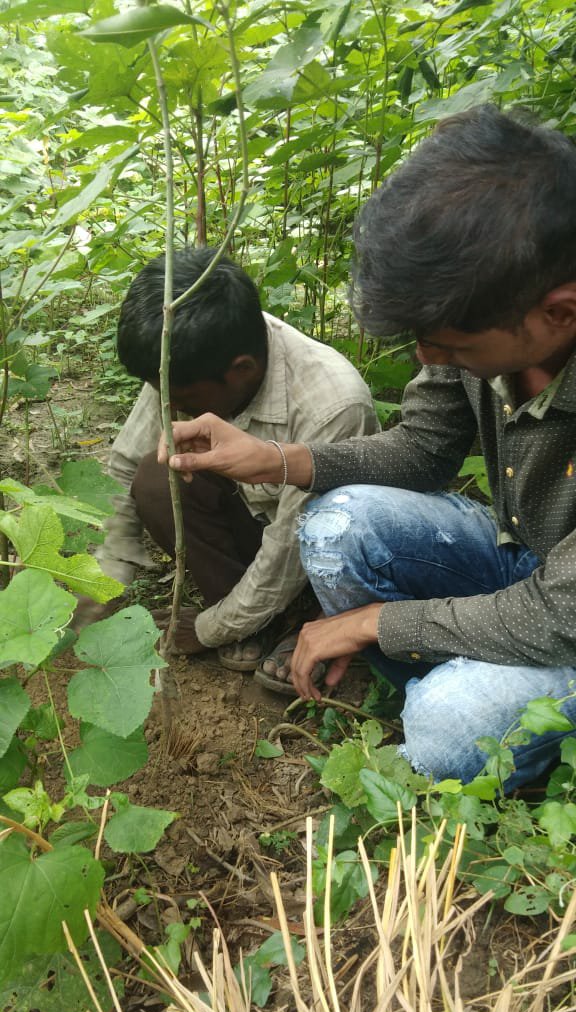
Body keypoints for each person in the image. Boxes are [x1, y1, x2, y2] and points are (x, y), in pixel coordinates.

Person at [158, 105, 576, 790]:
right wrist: (279, 460)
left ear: (559, 311)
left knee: (447, 726)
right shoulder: (479, 305)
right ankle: (457, 683)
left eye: (449, 348)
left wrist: (376, 623)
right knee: (337, 525)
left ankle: (467, 720)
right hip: (528, 564)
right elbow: (423, 451)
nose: (427, 357)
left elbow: (560, 613)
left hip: (567, 615)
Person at [96, 246, 378, 691]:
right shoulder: (183, 360)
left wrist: (208, 629)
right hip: (254, 532)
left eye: (186, 402)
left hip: (314, 547)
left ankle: (310, 615)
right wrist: (100, 581)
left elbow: (291, 545)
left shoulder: (331, 406)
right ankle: (258, 619)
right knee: (154, 478)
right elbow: (127, 464)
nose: (174, 407)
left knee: (325, 545)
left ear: (242, 370)